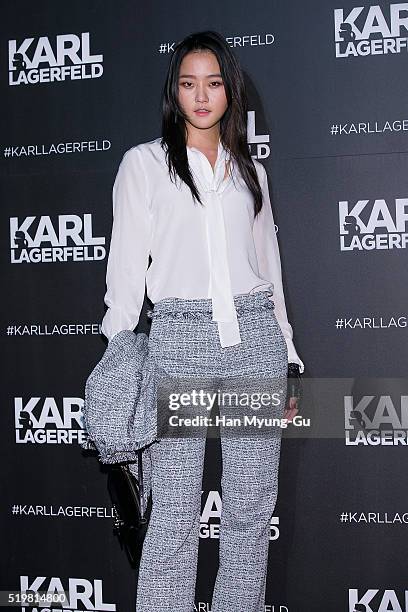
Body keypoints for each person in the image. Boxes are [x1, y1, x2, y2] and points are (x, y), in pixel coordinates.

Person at [100, 30, 304, 612]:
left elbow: (270, 271)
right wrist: (121, 357)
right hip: (178, 341)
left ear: (229, 91)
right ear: (175, 92)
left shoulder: (251, 173)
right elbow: (123, 277)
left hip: (253, 339)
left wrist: (288, 354)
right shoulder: (143, 165)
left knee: (249, 506)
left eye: (213, 83)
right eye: (189, 84)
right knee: (172, 510)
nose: (201, 96)